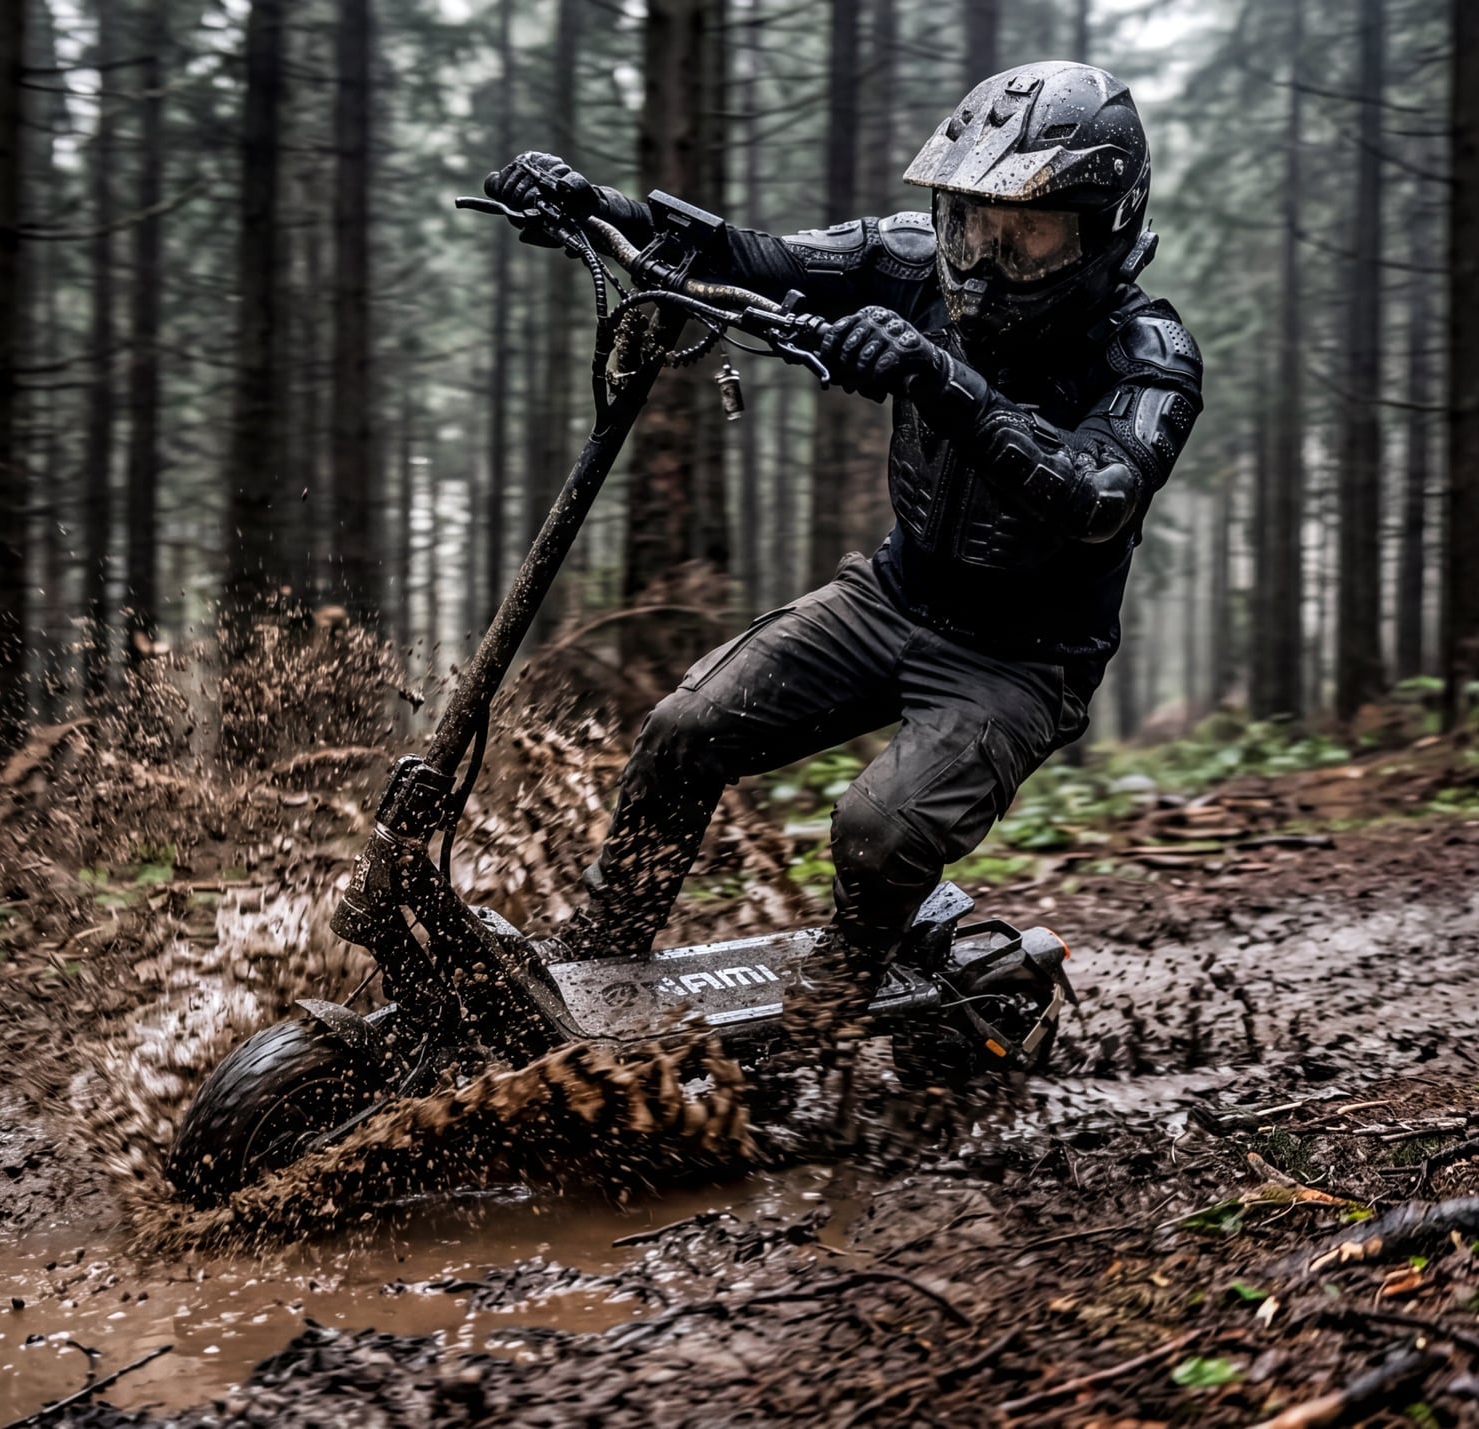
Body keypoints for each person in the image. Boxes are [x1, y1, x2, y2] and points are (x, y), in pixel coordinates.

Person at [491, 61, 1204, 1017]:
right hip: (890, 596)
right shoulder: (913, 261)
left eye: (1026, 236)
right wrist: (595, 203)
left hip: (1022, 662)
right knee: (684, 730)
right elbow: (755, 255)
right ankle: (601, 959)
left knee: (877, 827)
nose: (988, 261)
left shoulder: (1147, 353)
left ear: (1103, 229)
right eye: (971, 225)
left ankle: (825, 1033)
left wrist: (938, 378)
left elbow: (1096, 494)